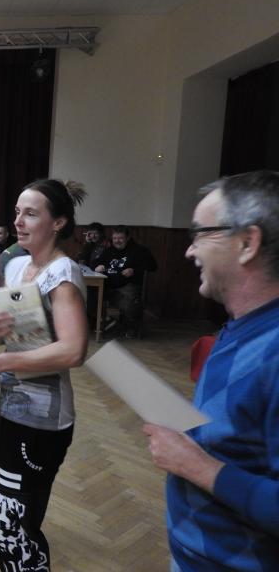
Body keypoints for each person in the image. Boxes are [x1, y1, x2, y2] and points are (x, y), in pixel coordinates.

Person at [143, 170, 279, 571]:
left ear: (247, 243)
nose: (189, 251)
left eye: (200, 233)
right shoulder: (240, 325)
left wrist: (196, 465)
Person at [0, 179, 88, 572]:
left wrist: (0, 363)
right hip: (11, 410)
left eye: (31, 214)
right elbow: (17, 337)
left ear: (58, 223)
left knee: (15, 524)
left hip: (42, 422)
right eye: (17, 212)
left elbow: (73, 350)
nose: (18, 221)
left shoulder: (62, 272)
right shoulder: (18, 265)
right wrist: (0, 331)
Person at [94, 225, 157, 338]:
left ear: (128, 238)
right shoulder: (108, 251)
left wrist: (134, 270)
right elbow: (95, 262)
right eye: (115, 238)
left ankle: (129, 325)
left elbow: (153, 266)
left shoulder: (139, 250)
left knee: (129, 305)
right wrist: (97, 266)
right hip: (107, 286)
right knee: (91, 294)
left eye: (120, 238)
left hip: (128, 286)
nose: (117, 241)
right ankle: (102, 323)